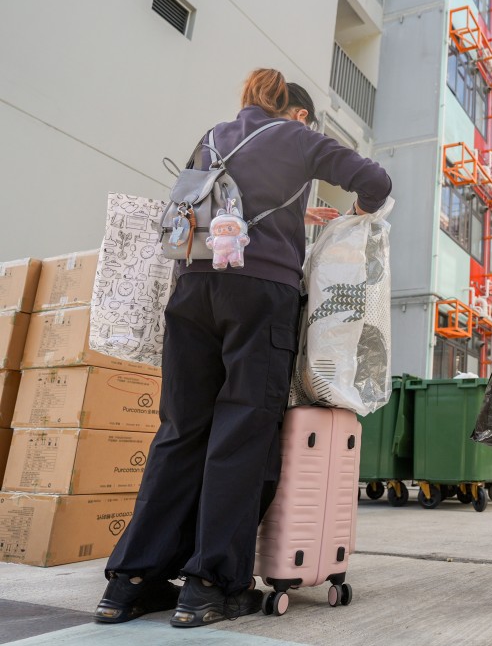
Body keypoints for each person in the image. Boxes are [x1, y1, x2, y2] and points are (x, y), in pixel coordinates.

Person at [94, 69, 392, 627]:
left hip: (193, 289)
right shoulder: (298, 137)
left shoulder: (213, 137)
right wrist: (357, 215)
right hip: (258, 296)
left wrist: (292, 213)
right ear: (296, 112)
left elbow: (205, 204)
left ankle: (131, 582)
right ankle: (210, 585)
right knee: (242, 430)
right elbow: (373, 179)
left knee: (180, 431)